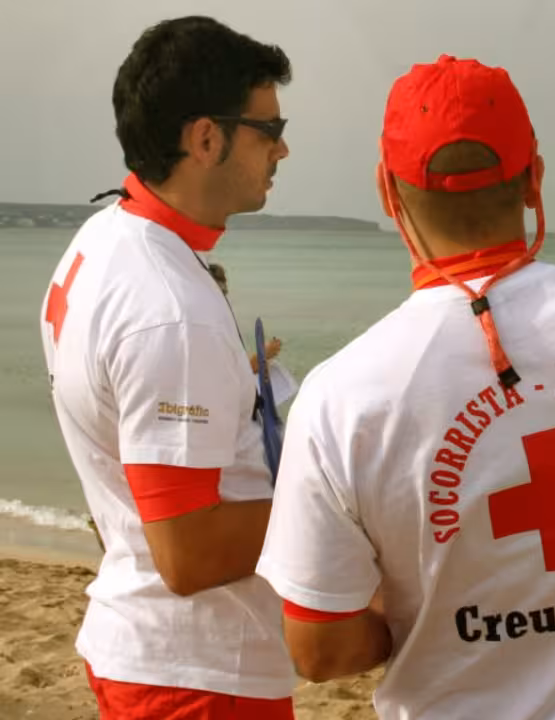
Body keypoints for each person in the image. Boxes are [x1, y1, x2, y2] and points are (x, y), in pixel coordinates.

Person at [254, 55, 555, 719]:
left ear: (386, 192)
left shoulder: (341, 398)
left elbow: (319, 651)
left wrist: (426, 620)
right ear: (533, 180)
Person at [38, 16, 297, 718]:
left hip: (148, 648)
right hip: (197, 675)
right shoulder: (168, 309)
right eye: (268, 129)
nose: (283, 148)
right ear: (206, 138)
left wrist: (231, 385)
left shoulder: (104, 239)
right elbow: (188, 553)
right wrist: (338, 506)